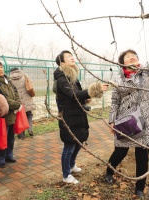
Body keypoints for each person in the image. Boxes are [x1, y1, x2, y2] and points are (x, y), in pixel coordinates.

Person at [105, 18, 149, 198]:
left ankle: (139, 188)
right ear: (122, 62)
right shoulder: (118, 80)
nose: (132, 57)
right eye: (128, 56)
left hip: (144, 121)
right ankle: (109, 171)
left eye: (135, 56)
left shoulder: (146, 72)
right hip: (125, 122)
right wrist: (112, 121)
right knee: (120, 152)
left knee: (142, 156)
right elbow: (115, 101)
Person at [54, 50, 109, 184]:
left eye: (72, 56)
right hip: (68, 116)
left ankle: (71, 166)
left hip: (77, 114)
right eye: (68, 57)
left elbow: (78, 94)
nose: (72, 58)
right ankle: (66, 175)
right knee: (69, 146)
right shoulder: (61, 77)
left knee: (79, 142)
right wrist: (95, 88)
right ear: (62, 62)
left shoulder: (72, 76)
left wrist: (86, 99)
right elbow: (72, 94)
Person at [0, 61, 21, 168]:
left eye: (2, 67)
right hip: (3, 114)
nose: (1, 69)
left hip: (12, 113)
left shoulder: (7, 79)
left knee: (10, 137)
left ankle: (9, 155)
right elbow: (3, 98)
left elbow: (15, 92)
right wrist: (16, 104)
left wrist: (18, 102)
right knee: (2, 137)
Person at [10, 67, 35, 139]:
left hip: (17, 100)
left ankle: (21, 135)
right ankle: (30, 129)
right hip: (27, 98)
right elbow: (31, 85)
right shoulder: (24, 76)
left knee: (20, 117)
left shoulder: (10, 79)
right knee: (29, 114)